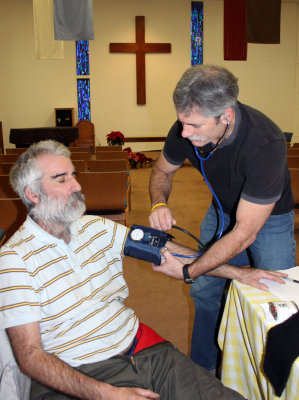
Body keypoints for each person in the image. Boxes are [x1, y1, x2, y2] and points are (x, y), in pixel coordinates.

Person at [0, 140, 287, 400]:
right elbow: (30, 357)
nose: (76, 186)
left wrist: (238, 273)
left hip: (144, 352)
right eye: (61, 179)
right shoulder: (15, 258)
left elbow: (168, 251)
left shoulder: (94, 227)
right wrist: (107, 394)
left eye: (74, 175)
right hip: (80, 373)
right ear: (33, 194)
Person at [149, 64, 296, 373]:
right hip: (221, 210)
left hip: (267, 220)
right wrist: (157, 203)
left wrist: (189, 270)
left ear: (226, 115)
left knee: (277, 299)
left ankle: (267, 377)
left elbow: (245, 232)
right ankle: (203, 371)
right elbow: (161, 171)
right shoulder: (186, 127)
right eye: (182, 122)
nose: (185, 133)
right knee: (205, 293)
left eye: (195, 125)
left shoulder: (265, 142)